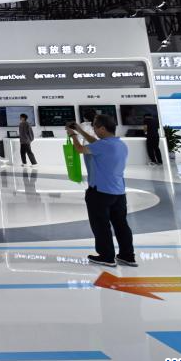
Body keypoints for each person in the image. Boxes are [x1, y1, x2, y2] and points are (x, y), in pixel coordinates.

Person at [67, 114, 136, 269]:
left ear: (103, 128)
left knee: (101, 225)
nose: (94, 130)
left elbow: (79, 149)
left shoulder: (102, 146)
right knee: (121, 224)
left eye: (95, 127)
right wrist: (80, 130)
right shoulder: (119, 144)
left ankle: (106, 256)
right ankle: (128, 256)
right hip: (118, 192)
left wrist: (73, 135)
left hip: (100, 193)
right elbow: (96, 143)